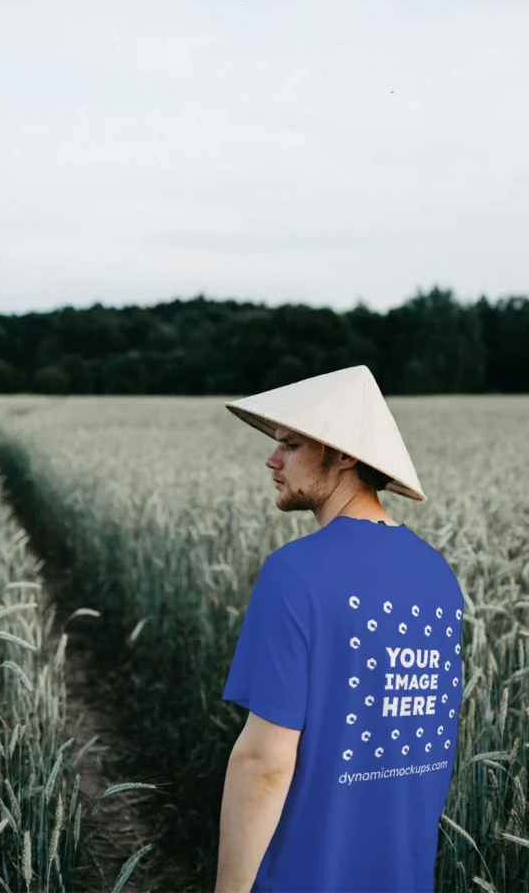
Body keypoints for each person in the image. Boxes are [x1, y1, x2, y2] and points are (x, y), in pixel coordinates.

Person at [216, 364, 464, 893]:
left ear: (345, 454)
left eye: (291, 444)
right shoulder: (439, 577)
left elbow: (264, 762)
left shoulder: (295, 572)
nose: (271, 458)